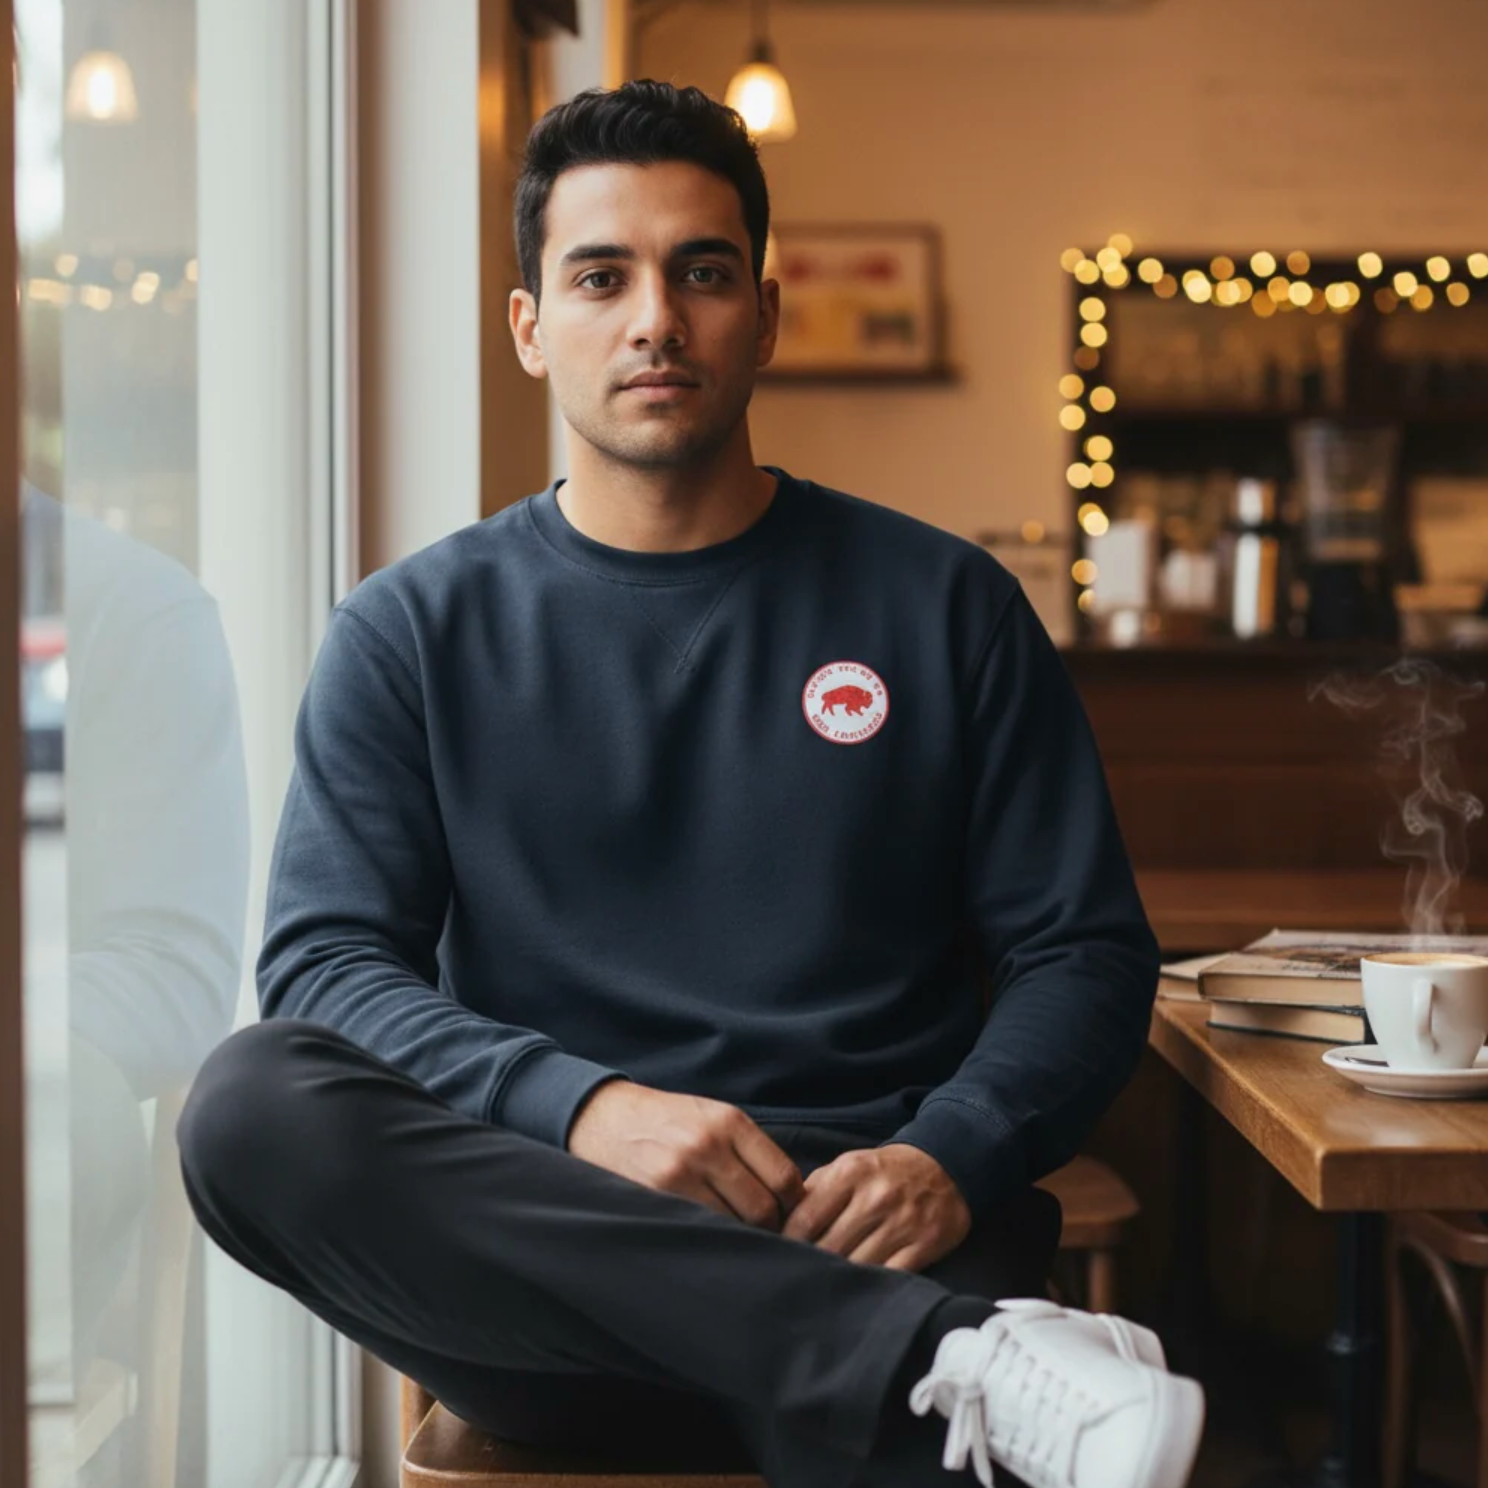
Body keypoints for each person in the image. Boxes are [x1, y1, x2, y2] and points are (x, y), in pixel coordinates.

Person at [176, 80, 1205, 1488]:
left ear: (764, 317)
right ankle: (931, 1365)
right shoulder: (410, 633)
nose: (656, 317)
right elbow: (325, 968)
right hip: (566, 1278)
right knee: (245, 1107)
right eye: (602, 276)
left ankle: (915, 1356)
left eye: (703, 272)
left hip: (878, 1228)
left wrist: (949, 1155)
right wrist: (588, 1110)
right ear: (531, 327)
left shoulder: (943, 605)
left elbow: (1084, 953)